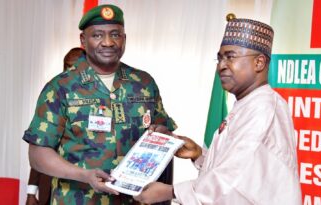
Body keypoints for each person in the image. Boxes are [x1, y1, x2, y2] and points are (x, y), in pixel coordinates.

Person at [133, 16, 302, 204]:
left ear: (259, 63)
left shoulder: (263, 108)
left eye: (230, 57)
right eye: (220, 58)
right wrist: (199, 154)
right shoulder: (247, 103)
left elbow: (234, 181)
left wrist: (171, 192)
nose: (221, 66)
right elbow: (241, 170)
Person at [23, 4, 176, 204]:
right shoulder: (60, 87)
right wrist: (84, 175)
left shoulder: (144, 83)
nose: (108, 42)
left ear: (124, 39)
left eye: (115, 34)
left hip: (135, 200)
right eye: (97, 35)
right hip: (78, 199)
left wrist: (162, 133)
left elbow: (163, 127)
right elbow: (37, 154)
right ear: (83, 40)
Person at [25, 47, 85, 205]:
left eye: (76, 66)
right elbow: (40, 146)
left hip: (80, 191)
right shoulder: (53, 94)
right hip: (49, 188)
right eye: (68, 66)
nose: (72, 71)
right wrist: (31, 192)